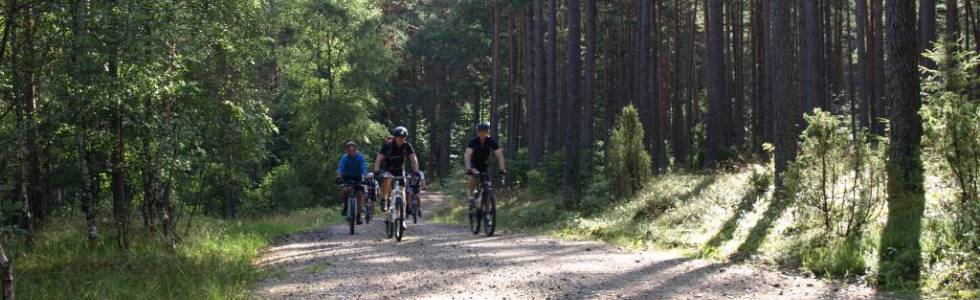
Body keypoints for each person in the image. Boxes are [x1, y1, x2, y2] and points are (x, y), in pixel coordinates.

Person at [374, 126, 421, 226]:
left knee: (403, 192)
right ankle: (384, 199)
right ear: (395, 137)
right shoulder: (388, 145)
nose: (401, 139)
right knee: (388, 179)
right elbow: (378, 159)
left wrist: (416, 171)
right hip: (388, 169)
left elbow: (413, 159)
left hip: (400, 170)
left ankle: (402, 219)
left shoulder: (407, 145)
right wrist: (376, 170)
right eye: (399, 137)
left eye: (403, 137)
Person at [464, 123, 507, 205]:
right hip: (473, 163)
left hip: (483, 164)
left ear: (487, 132)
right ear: (477, 132)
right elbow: (467, 155)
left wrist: (502, 168)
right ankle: (471, 196)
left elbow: (499, 155)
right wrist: (468, 168)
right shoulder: (473, 141)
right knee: (472, 176)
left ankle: (486, 212)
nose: (482, 133)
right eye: (480, 131)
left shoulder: (491, 141)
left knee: (487, 185)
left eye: (484, 131)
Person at [336, 141, 368, 224]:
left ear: (356, 150)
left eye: (353, 150)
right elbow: (341, 167)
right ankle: (346, 206)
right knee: (345, 191)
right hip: (347, 177)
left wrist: (365, 175)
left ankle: (358, 216)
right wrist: (339, 176)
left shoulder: (360, 157)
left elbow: (363, 167)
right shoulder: (344, 158)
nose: (351, 152)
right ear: (346, 151)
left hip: (358, 177)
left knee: (360, 194)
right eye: (349, 150)